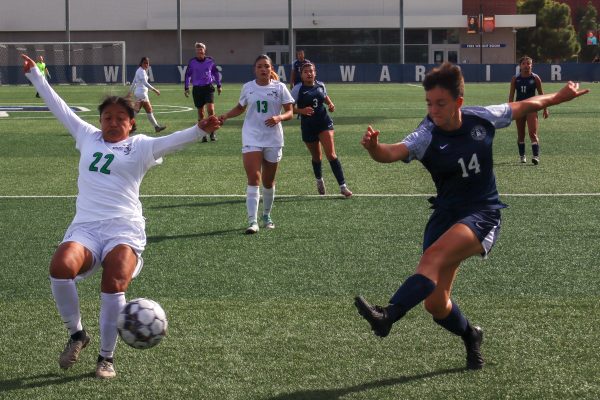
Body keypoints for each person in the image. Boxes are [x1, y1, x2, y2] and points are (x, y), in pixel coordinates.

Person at [354, 62, 588, 370]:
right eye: (429, 103)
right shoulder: (426, 135)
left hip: (482, 214)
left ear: (458, 102)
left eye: (440, 103)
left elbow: (525, 105)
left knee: (432, 259)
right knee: (436, 304)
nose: (433, 110)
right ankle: (471, 335)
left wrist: (559, 96)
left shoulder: (482, 118)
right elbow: (392, 152)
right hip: (446, 216)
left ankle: (388, 315)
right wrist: (374, 148)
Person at [21, 54, 220, 379]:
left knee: (113, 279)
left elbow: (172, 141)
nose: (112, 122)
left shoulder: (140, 146)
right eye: (107, 117)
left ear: (131, 122)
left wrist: (199, 129)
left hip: (124, 229)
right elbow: (61, 108)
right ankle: (77, 334)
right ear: (100, 121)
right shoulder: (86, 136)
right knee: (60, 267)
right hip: (85, 228)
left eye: (119, 118)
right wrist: (36, 77)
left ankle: (106, 358)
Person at [219, 54, 294, 234]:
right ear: (255, 69)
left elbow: (290, 112)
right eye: (260, 66)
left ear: (271, 69)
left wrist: (279, 117)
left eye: (266, 66)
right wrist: (226, 116)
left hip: (273, 139)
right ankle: (252, 221)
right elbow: (240, 107)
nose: (263, 69)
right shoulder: (248, 87)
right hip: (251, 137)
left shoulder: (280, 87)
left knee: (268, 182)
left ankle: (266, 215)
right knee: (254, 178)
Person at [290, 62, 352, 197]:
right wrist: (301, 110)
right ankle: (319, 180)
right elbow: (289, 109)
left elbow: (324, 96)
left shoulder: (321, 85)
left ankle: (343, 186)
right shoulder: (297, 89)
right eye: (306, 71)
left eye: (311, 71)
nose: (309, 73)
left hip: (324, 123)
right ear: (301, 74)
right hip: (308, 126)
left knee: (331, 155)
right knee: (317, 157)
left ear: (315, 72)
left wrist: (330, 103)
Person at [509, 56, 548, 164]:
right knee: (521, 134)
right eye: (524, 64)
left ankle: (536, 156)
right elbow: (511, 96)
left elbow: (541, 95)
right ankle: (522, 156)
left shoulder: (535, 78)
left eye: (528, 64)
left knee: (532, 133)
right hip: (519, 108)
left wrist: (545, 109)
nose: (526, 66)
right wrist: (510, 110)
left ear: (531, 65)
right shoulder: (515, 79)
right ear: (520, 66)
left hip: (532, 107)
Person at [184, 42, 222, 142]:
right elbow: (188, 75)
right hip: (197, 89)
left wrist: (219, 85)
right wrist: (186, 87)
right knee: (201, 113)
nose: (199, 51)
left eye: (201, 49)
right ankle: (203, 134)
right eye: (197, 50)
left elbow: (215, 73)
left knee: (211, 110)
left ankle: (213, 133)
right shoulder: (192, 62)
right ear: (196, 51)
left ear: (204, 51)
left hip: (208, 87)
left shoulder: (210, 61)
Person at [129, 57, 166, 133]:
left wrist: (129, 92)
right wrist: (155, 90)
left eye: (147, 63)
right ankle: (128, 125)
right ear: (141, 63)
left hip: (141, 93)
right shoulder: (141, 71)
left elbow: (133, 82)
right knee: (139, 111)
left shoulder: (140, 70)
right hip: (141, 94)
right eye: (145, 63)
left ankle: (156, 127)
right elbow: (145, 83)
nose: (146, 65)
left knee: (146, 110)